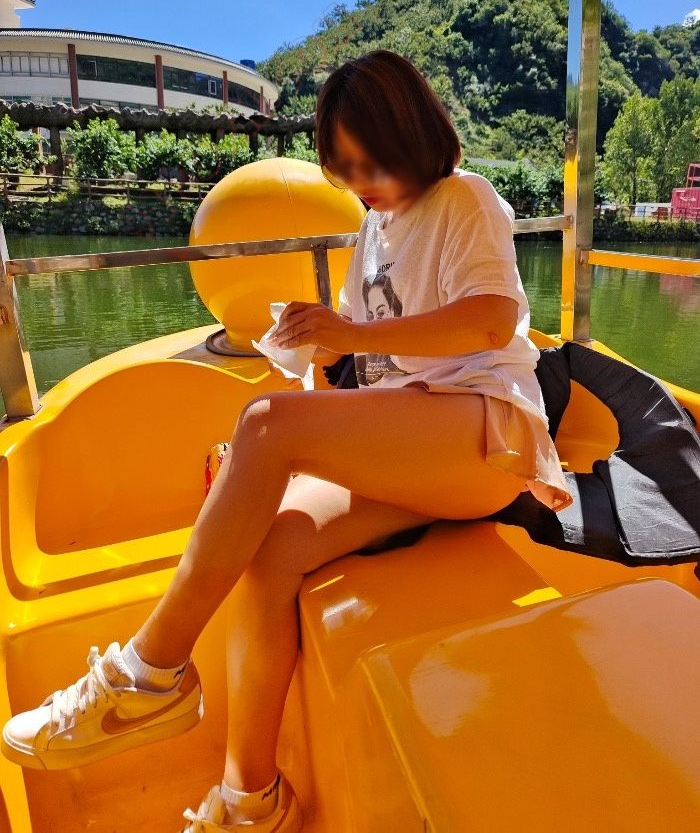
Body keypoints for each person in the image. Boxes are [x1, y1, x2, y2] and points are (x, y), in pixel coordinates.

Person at [1, 49, 573, 831]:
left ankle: (147, 674)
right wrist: (322, 348)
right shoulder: (374, 229)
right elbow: (372, 362)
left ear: (412, 136)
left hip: (488, 435)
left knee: (266, 425)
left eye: (372, 163)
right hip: (420, 437)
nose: (361, 183)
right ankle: (251, 800)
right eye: (345, 169)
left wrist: (345, 343)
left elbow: (490, 321)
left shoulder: (464, 199)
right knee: (269, 549)